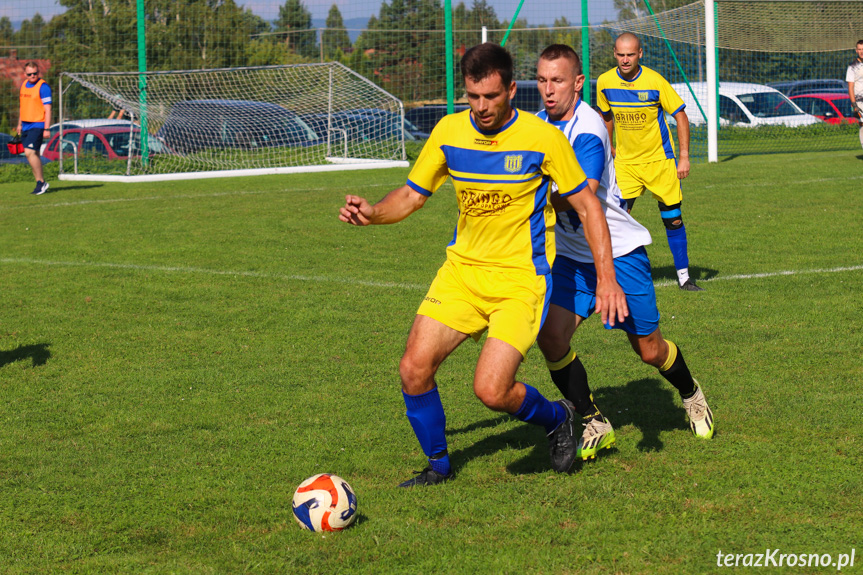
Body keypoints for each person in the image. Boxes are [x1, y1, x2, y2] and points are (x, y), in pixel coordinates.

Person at [339, 43, 628, 486]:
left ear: (511, 89)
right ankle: (438, 468)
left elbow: (589, 208)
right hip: (461, 274)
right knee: (414, 370)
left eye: (491, 97)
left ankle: (556, 418)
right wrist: (373, 212)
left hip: (519, 283)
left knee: (491, 391)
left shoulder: (542, 138)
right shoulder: (450, 132)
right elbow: (413, 194)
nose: (481, 107)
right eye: (473, 97)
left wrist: (607, 280)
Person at [534, 44, 715, 461]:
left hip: (618, 253)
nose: (548, 89)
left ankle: (690, 393)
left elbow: (585, 195)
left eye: (557, 80)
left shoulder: (590, 129)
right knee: (551, 337)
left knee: (649, 350)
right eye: (542, 80)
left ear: (578, 84)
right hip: (573, 258)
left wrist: (529, 194)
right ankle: (594, 420)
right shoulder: (538, 127)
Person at [596, 33, 702, 291]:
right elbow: (605, 115)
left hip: (660, 162)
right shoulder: (605, 82)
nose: (625, 60)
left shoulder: (654, 81)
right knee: (615, 220)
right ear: (614, 54)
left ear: (640, 54)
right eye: (620, 54)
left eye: (630, 54)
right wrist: (608, 147)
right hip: (626, 165)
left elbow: (681, 117)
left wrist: (684, 157)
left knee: (673, 219)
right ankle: (609, 277)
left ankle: (684, 277)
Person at [16, 62, 52, 195]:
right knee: (34, 154)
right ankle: (40, 182)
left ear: (38, 72)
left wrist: (46, 128)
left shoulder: (43, 87)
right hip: (25, 124)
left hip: (38, 124)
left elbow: (48, 109)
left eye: (35, 73)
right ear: (24, 74)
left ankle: (41, 183)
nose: (33, 76)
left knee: (29, 152)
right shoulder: (23, 86)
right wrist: (19, 124)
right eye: (30, 74)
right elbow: (22, 106)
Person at [846, 39, 863, 148]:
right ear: (856, 51)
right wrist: (854, 104)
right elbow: (850, 87)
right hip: (859, 101)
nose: (862, 51)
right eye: (860, 49)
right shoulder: (852, 67)